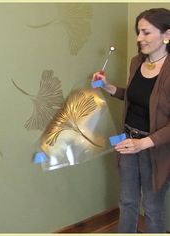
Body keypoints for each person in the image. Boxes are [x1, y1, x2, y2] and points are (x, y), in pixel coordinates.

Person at [92, 8, 170, 233]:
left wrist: (144, 143)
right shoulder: (137, 62)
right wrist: (107, 87)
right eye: (138, 32)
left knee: (153, 209)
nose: (139, 38)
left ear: (166, 35)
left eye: (146, 33)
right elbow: (135, 97)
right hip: (127, 143)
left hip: (154, 150)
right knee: (127, 202)